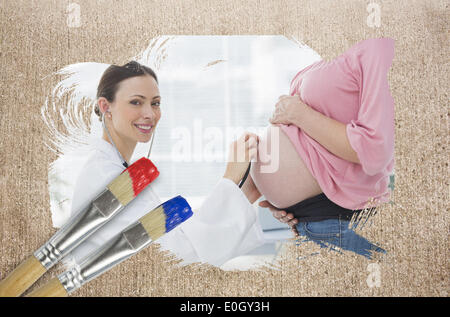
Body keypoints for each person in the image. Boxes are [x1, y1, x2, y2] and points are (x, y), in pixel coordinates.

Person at [68, 61, 264, 267]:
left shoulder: (118, 169)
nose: (150, 114)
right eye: (136, 102)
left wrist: (247, 192)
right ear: (105, 106)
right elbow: (176, 254)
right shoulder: (105, 176)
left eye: (155, 103)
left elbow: (172, 235)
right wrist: (231, 177)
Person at [242, 38, 395, 259]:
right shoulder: (338, 50)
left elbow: (376, 149)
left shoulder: (377, 46)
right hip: (312, 221)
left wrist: (299, 114)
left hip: (339, 221)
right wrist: (284, 200)